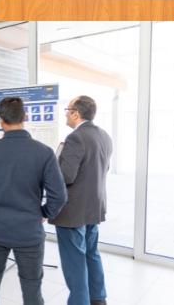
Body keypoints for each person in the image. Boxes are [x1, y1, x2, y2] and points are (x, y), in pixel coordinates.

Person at [0, 96, 67, 305]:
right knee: (31, 287)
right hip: (28, 231)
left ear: (0, 121)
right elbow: (59, 195)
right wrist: (43, 213)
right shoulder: (44, 153)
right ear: (25, 116)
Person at [49, 96, 113, 305]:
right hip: (93, 207)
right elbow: (103, 168)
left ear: (76, 114)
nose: (66, 113)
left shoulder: (75, 138)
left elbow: (67, 176)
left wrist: (54, 165)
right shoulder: (104, 136)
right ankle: (98, 298)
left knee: (74, 261)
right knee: (91, 254)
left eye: (67, 110)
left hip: (73, 211)